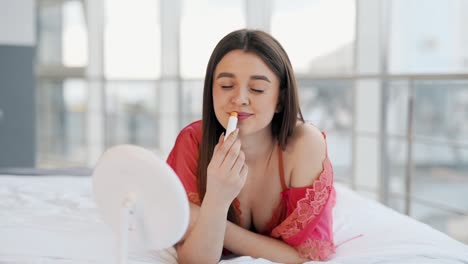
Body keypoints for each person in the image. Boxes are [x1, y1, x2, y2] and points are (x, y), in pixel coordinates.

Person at [167, 29, 336, 264]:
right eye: (226, 85)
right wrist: (216, 197)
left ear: (280, 99)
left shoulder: (305, 144)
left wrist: (207, 220)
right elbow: (194, 260)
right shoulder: (192, 142)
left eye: (257, 89)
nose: (239, 99)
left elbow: (305, 257)